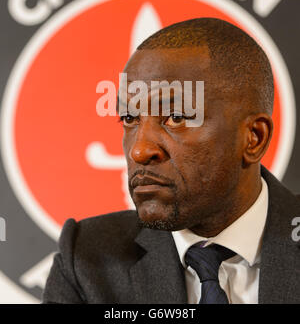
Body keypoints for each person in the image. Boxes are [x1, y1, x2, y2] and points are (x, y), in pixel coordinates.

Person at [43, 18, 300, 304]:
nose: (139, 151)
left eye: (175, 117)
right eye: (129, 118)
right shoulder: (88, 259)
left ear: (254, 137)